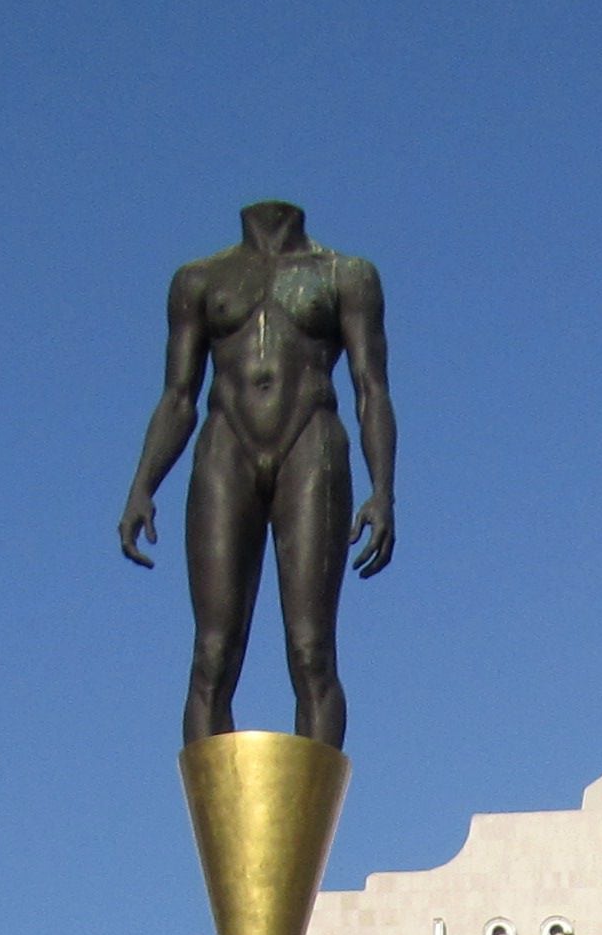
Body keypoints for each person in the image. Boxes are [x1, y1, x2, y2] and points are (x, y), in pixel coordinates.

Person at [116, 201, 397, 748]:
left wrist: (382, 490)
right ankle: (216, 827)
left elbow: (373, 390)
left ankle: (310, 829)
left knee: (312, 650)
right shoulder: (198, 279)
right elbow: (178, 397)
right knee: (213, 654)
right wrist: (142, 485)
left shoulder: (347, 274)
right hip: (227, 448)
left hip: (310, 443)